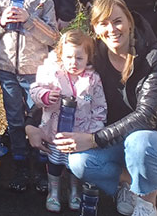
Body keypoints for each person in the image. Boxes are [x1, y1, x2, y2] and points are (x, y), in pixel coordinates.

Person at [26, 0, 157, 216]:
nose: (112, 29)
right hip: (114, 141)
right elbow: (60, 85)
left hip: (156, 144)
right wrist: (31, 124)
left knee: (139, 141)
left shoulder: (154, 55)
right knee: (78, 161)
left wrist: (93, 139)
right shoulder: (94, 55)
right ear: (95, 28)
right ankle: (128, 184)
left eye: (117, 21)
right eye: (103, 23)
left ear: (129, 21)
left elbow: (147, 116)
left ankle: (147, 204)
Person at [0, 0, 60, 192]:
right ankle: (20, 167)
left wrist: (30, 20)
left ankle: (40, 168)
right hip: (7, 71)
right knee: (15, 121)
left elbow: (53, 37)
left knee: (38, 121)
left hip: (35, 73)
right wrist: (1, 21)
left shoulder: (44, 2)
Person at [30, 29, 106, 212]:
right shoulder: (52, 73)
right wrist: (45, 96)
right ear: (61, 56)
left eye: (79, 58)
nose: (73, 62)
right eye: (69, 57)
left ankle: (74, 192)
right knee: (55, 163)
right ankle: (54, 192)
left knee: (74, 166)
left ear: (88, 58)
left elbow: (99, 107)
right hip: (54, 132)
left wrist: (92, 132)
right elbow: (34, 90)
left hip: (80, 135)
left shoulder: (93, 79)